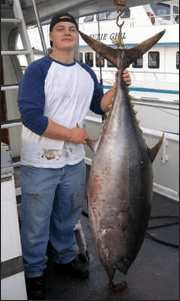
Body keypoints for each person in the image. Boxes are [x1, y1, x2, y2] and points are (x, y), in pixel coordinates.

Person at [18, 12, 131, 300]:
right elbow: (31, 117)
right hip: (40, 161)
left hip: (73, 162)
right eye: (60, 29)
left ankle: (65, 258)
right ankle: (33, 272)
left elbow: (99, 106)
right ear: (52, 37)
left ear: (76, 36)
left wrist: (119, 85)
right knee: (36, 222)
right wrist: (71, 135)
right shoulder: (38, 70)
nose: (67, 32)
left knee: (66, 216)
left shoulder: (86, 73)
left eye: (72, 28)